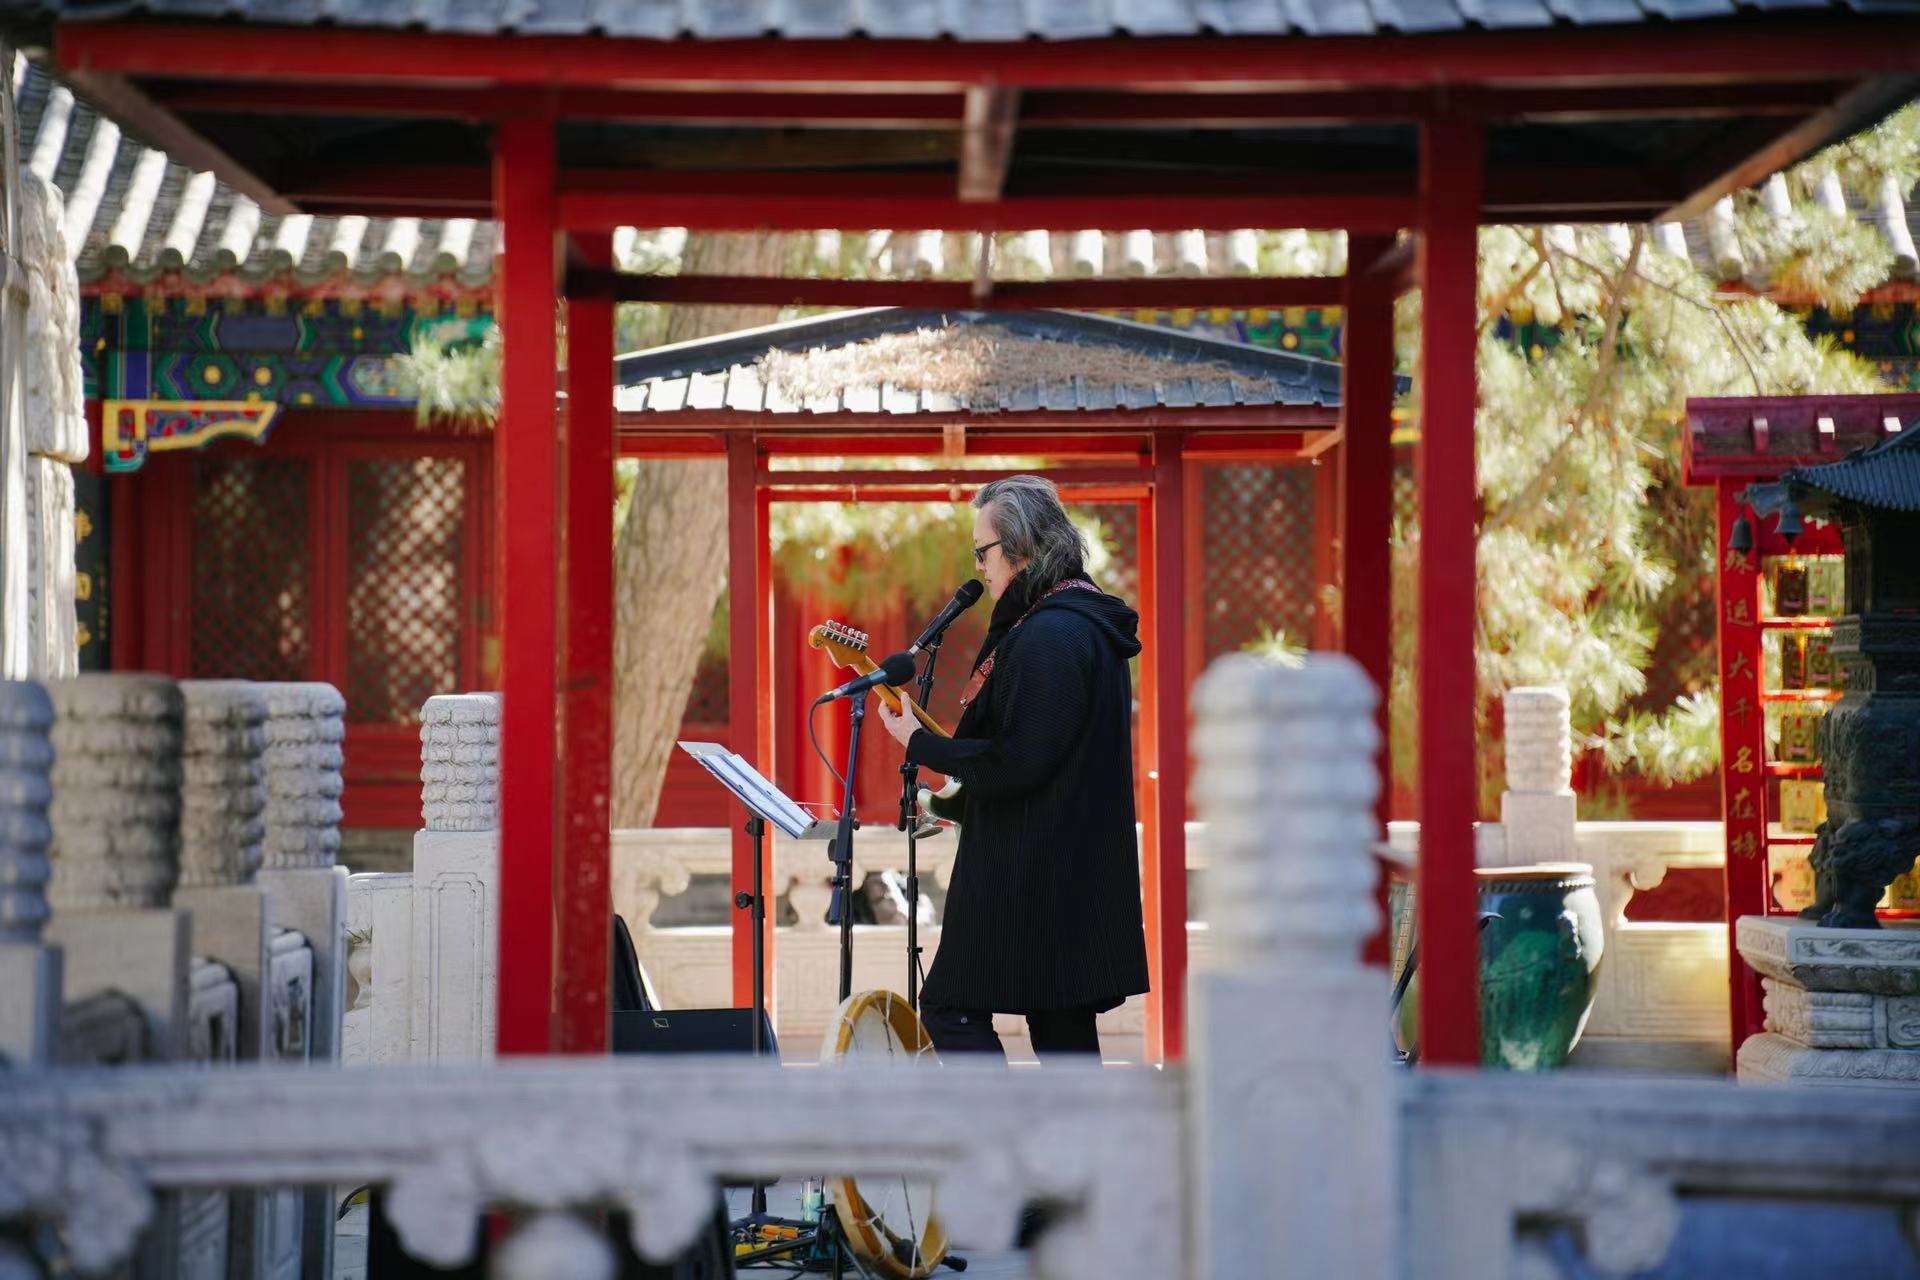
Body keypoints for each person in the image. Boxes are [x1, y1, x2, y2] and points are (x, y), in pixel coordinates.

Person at [875, 474, 1149, 1062]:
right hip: (1066, 868)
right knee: (1063, 1033)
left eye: (984, 552)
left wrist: (922, 743)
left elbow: (1019, 760)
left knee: (950, 1007)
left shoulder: (1052, 633)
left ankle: (1003, 1140)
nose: (980, 569)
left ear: (1022, 550)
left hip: (1030, 872)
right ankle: (1064, 1153)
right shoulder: (1075, 623)